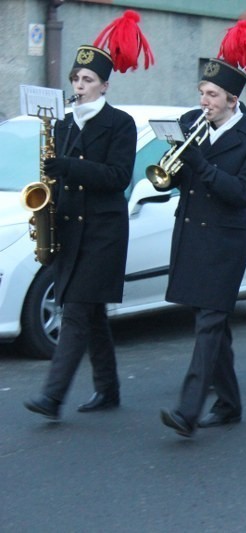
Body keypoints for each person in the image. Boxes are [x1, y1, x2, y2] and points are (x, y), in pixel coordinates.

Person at [24, 13, 152, 420]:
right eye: (76, 79)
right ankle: (108, 389)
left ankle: (52, 396)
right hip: (70, 229)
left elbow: (117, 178)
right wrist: (47, 211)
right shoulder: (62, 123)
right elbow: (57, 177)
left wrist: (67, 167)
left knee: (76, 311)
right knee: (92, 314)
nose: (78, 87)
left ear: (104, 85)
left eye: (87, 81)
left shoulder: (120, 123)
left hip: (103, 232)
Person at [159, 58, 246, 437]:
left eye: (213, 95)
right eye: (202, 93)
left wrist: (201, 165)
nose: (205, 101)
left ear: (233, 100)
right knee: (214, 322)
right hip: (191, 235)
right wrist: (172, 170)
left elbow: (241, 193)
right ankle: (229, 403)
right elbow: (178, 179)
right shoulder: (193, 122)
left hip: (225, 239)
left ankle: (187, 410)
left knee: (209, 322)